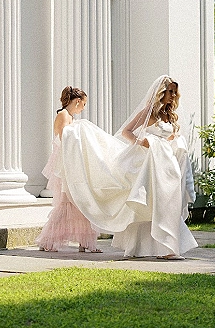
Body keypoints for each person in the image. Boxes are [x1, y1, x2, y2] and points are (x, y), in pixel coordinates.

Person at [60, 75, 197, 259]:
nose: (173, 95)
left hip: (167, 165)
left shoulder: (169, 115)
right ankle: (158, 249)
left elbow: (169, 137)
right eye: (170, 91)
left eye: (174, 92)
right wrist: (142, 142)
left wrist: (174, 140)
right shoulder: (150, 111)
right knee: (151, 204)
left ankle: (162, 247)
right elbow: (127, 132)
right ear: (161, 92)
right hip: (149, 164)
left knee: (166, 203)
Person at [35, 86, 101, 253]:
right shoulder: (63, 115)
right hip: (66, 164)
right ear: (77, 101)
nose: (84, 108)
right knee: (67, 202)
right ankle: (48, 241)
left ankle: (85, 242)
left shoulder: (70, 117)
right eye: (84, 104)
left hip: (72, 163)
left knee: (81, 202)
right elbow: (65, 140)